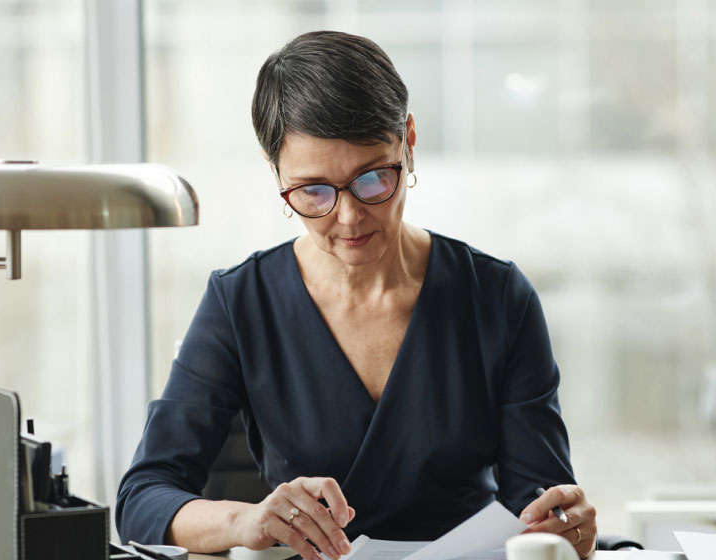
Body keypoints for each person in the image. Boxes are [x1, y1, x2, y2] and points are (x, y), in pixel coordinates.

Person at [116, 30, 597, 559]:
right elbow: (144, 497)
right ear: (275, 170)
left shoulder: (498, 297)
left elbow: (541, 503)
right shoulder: (242, 303)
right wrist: (246, 518)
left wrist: (562, 523)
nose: (347, 218)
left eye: (372, 180)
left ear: (408, 143)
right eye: (313, 192)